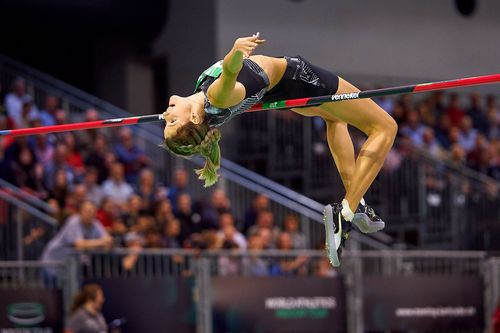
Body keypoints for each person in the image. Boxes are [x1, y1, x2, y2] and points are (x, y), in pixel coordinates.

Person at [162, 33, 391, 266]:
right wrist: (235, 52)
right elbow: (230, 74)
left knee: (335, 119)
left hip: (281, 89)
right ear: (193, 117)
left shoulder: (205, 106)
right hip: (297, 77)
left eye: (165, 122)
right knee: (384, 127)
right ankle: (346, 213)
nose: (166, 115)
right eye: (171, 123)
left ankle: (357, 201)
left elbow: (225, 85)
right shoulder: (215, 98)